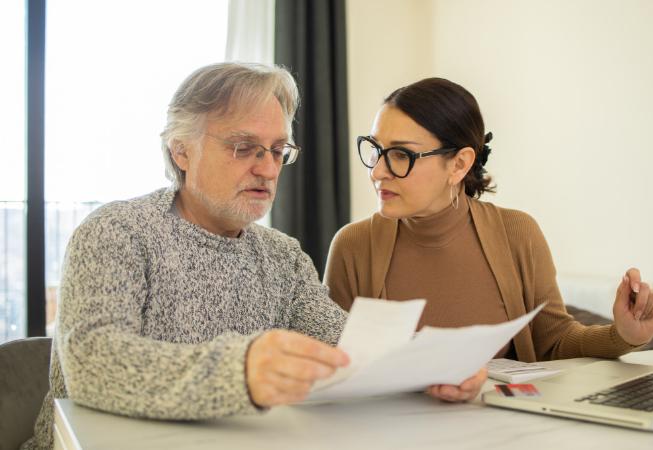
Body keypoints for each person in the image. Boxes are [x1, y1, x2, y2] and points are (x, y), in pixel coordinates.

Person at [23, 64, 484, 450]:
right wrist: (241, 372)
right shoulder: (116, 232)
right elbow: (93, 365)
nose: (266, 168)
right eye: (244, 147)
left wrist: (429, 366)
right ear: (180, 150)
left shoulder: (282, 258)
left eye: (278, 150)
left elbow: (346, 345)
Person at [324, 77, 653, 363]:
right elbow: (332, 363)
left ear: (459, 165)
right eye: (375, 149)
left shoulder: (518, 234)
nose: (378, 172)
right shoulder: (353, 247)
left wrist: (622, 335)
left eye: (401, 155)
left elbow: (554, 340)